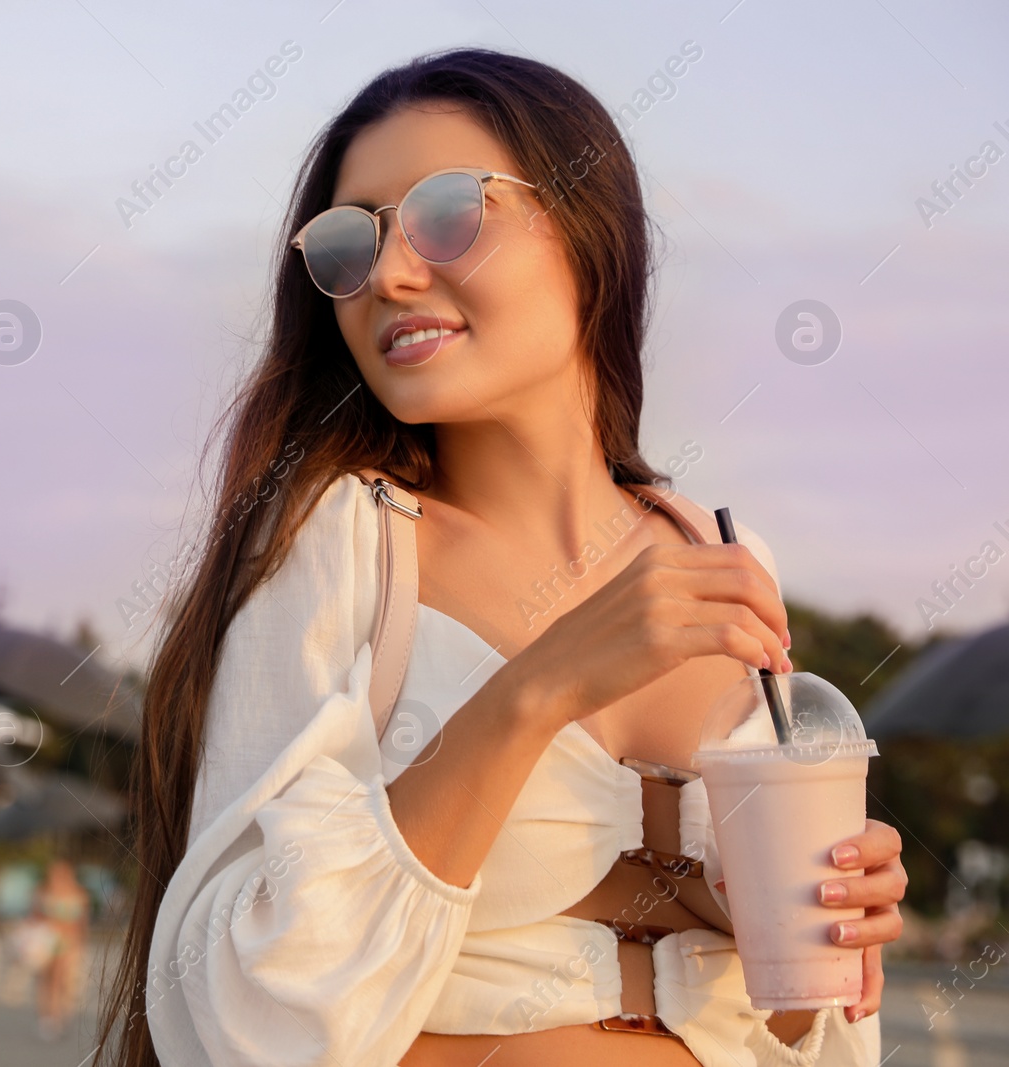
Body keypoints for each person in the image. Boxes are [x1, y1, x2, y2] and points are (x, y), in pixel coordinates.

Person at [96, 48, 908, 1067]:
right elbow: (240, 1011)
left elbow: (793, 1030)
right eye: (347, 245)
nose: (388, 275)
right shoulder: (340, 539)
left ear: (586, 229)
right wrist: (539, 685)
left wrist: (804, 927)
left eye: (447, 215)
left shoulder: (723, 551)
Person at [33, 859, 90, 1041]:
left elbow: (82, 922)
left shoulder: (79, 894)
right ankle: (48, 1017)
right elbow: (35, 918)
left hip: (70, 942)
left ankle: (60, 1016)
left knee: (65, 982)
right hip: (49, 941)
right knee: (49, 980)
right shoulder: (43, 892)